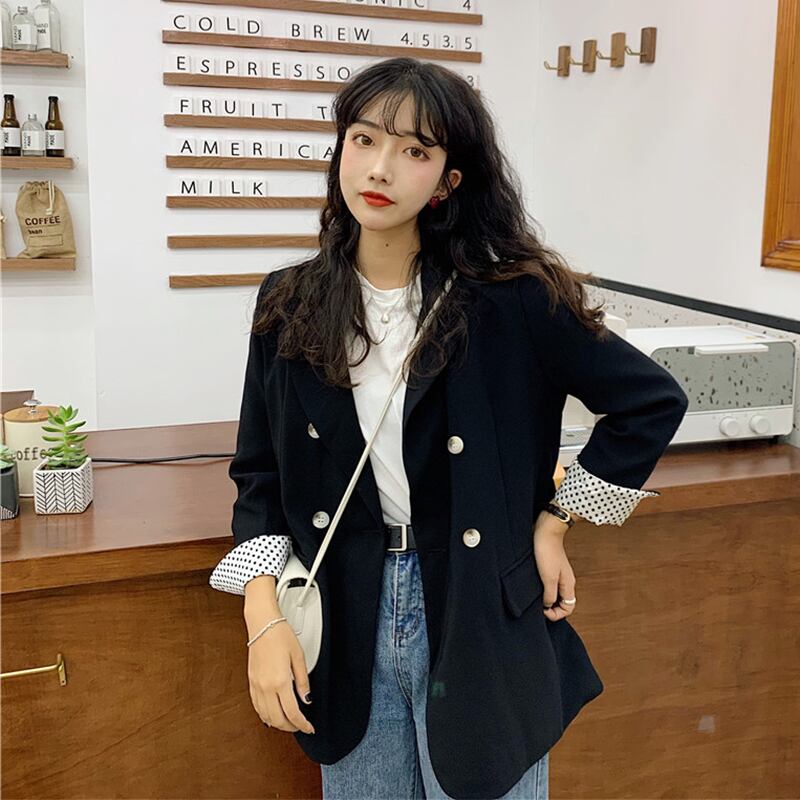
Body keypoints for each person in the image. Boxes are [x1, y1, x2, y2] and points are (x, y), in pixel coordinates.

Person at [209, 57, 689, 800]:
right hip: (345, 617)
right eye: (365, 140)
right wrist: (262, 616)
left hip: (478, 614)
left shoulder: (511, 300)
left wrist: (555, 521)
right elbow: (260, 472)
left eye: (415, 151)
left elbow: (651, 402)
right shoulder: (289, 303)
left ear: (447, 181)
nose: (381, 168)